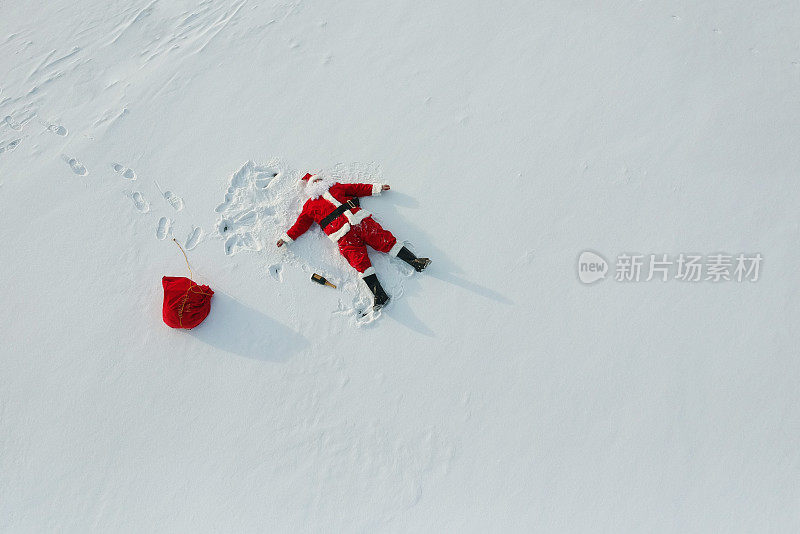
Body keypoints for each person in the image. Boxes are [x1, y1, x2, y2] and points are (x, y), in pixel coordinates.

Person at [277, 172, 430, 310]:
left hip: (360, 222)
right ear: (309, 188)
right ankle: (379, 295)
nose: (318, 183)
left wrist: (376, 188)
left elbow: (357, 188)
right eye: (314, 182)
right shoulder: (309, 206)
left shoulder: (336, 188)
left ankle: (416, 262)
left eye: (319, 180)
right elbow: (301, 224)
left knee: (384, 240)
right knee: (359, 262)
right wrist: (287, 237)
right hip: (342, 235)